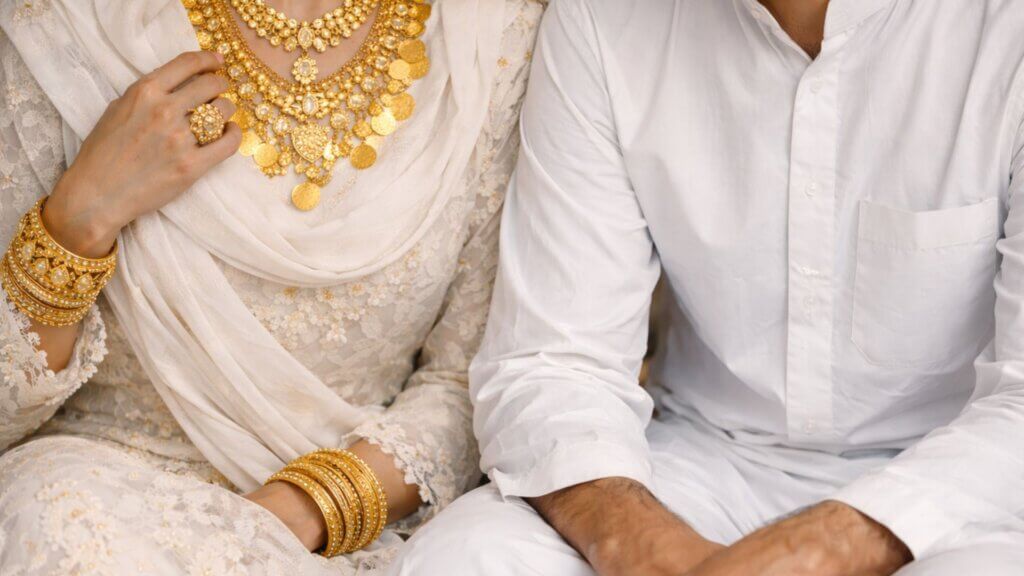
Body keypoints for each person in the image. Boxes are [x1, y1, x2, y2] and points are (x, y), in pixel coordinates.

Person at [389, 0, 1024, 574]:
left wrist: (825, 546)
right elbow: (555, 363)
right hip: (701, 464)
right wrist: (649, 549)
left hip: (964, 491)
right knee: (465, 558)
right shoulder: (603, 18)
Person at [0, 0, 544, 573]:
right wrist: (78, 221)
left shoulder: (492, 33)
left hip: (353, 534)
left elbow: (475, 381)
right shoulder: (67, 22)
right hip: (90, 504)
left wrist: (298, 514)